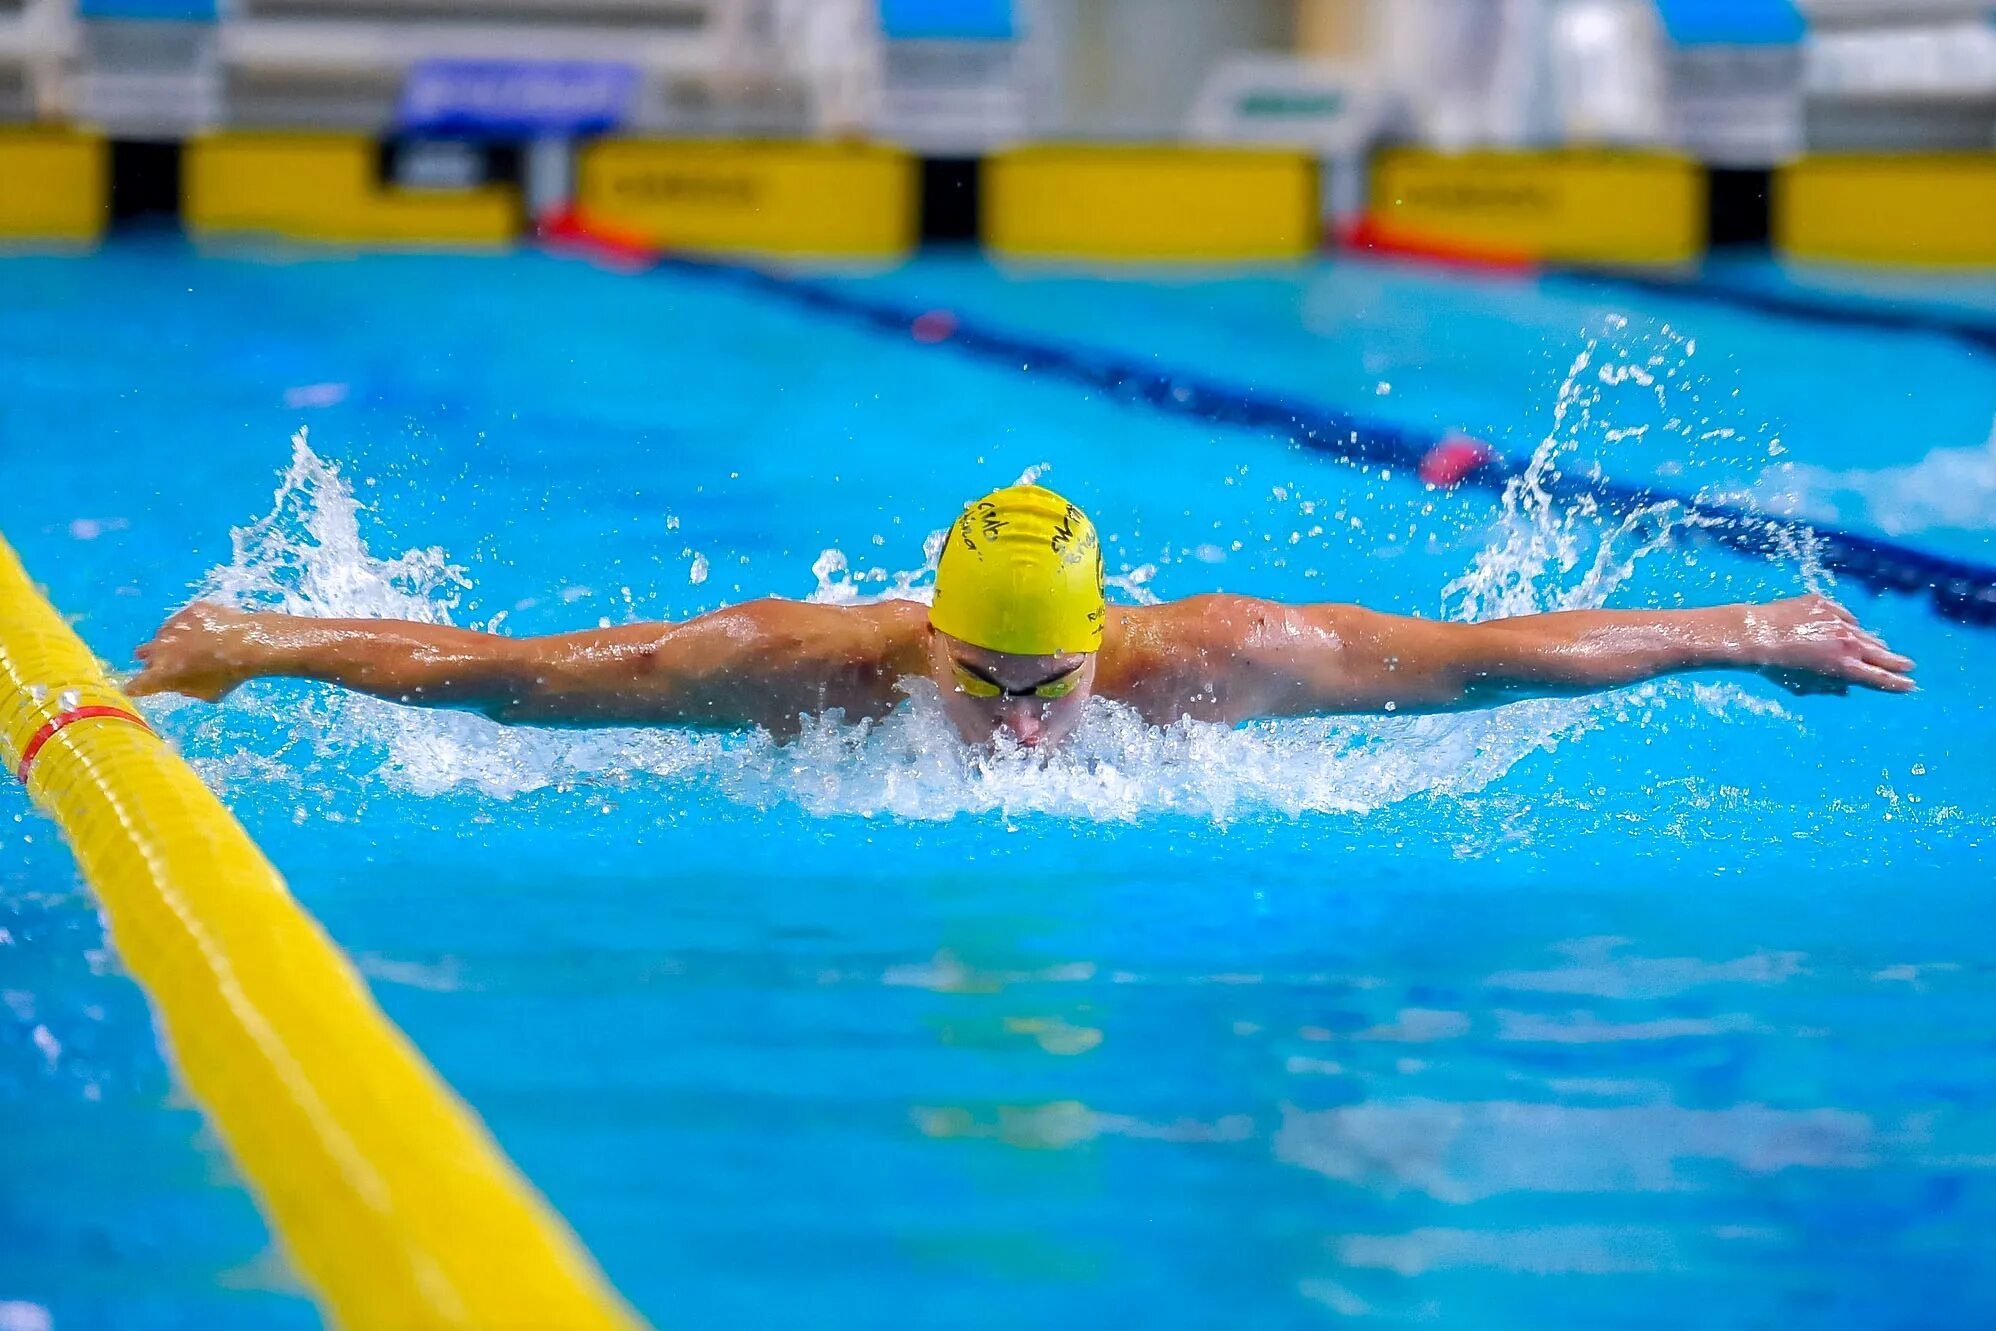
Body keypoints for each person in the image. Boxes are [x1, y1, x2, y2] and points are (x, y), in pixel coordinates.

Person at [129, 484, 1914, 749]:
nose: (1017, 713)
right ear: (921, 633)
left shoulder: (1214, 664)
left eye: (1043, 671)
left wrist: (1749, 633)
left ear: (1103, 635)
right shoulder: (805, 668)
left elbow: (1492, 662)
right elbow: (515, 683)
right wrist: (263, 640)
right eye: (974, 670)